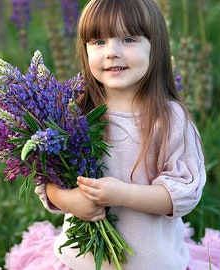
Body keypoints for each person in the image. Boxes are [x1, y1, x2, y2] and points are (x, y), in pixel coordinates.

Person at [34, 0, 206, 269]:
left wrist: (123, 195)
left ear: (155, 46)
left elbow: (184, 193)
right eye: (98, 41)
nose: (112, 52)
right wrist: (69, 200)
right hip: (80, 263)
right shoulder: (72, 110)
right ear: (85, 48)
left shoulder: (169, 117)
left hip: (151, 262)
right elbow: (46, 180)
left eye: (128, 39)